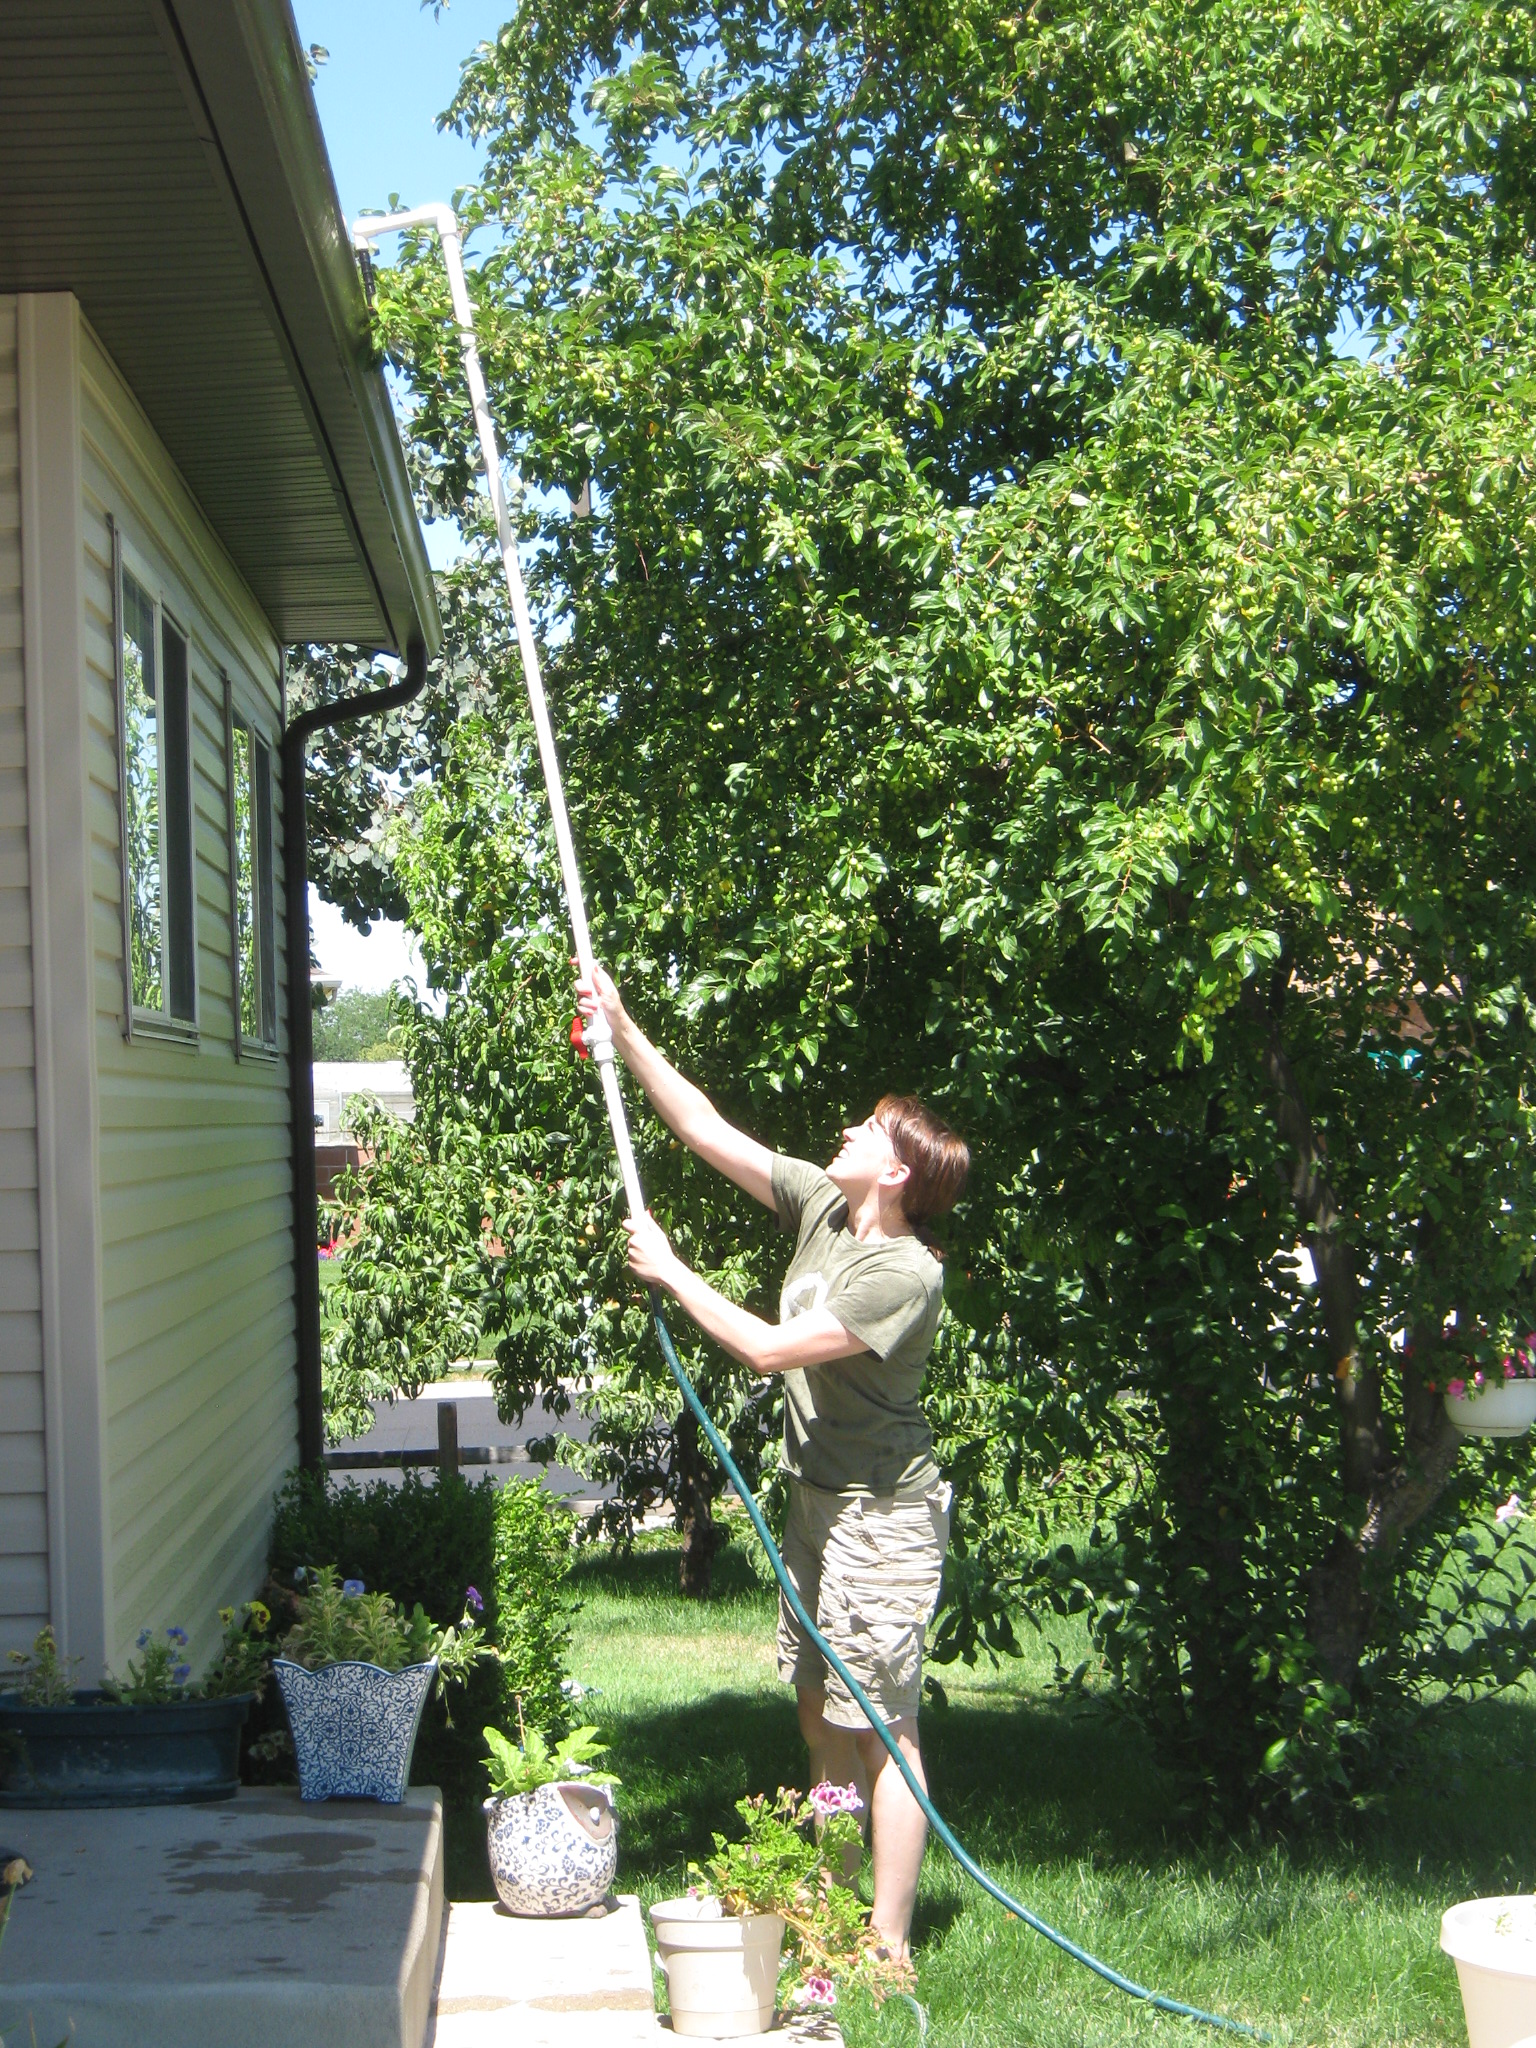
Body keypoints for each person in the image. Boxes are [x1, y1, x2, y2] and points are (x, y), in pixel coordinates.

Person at [576, 966, 970, 1965]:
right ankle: (832, 1909)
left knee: (881, 1721)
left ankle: (885, 1943)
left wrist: (670, 1268)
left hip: (883, 1514)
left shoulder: (903, 1270)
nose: (849, 1127)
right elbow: (706, 1128)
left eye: (871, 1129)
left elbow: (765, 1348)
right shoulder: (823, 1212)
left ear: (899, 1174)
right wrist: (623, 1029)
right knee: (814, 1704)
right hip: (815, 1504)